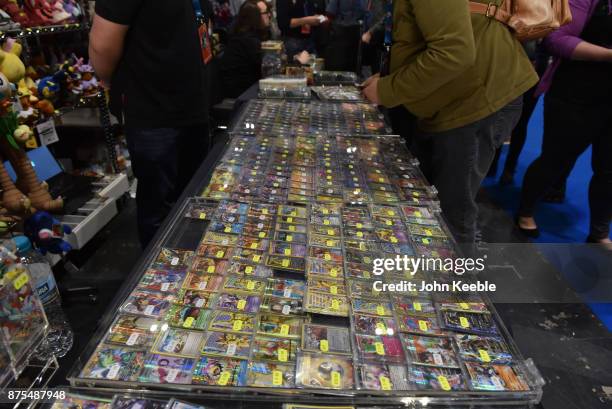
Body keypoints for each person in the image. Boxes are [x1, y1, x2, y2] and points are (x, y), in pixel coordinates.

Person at [361, 0, 538, 251]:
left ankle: (454, 286)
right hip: (458, 95)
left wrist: (389, 89)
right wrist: (393, 76)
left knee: (451, 213)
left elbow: (453, 52)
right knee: (437, 204)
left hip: (473, 102)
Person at [89, 0, 213, 248]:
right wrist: (115, 83)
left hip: (194, 107)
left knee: (193, 200)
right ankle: (161, 277)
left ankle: (189, 271)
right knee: (159, 209)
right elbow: (103, 47)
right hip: (153, 111)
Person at [517, 0, 612, 245]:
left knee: (608, 170)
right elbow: (556, 39)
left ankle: (599, 232)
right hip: (575, 92)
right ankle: (525, 210)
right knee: (556, 158)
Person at [218, 0, 271, 98]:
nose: (269, 15)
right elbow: (269, 68)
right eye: (265, 12)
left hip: (248, 87)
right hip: (241, 93)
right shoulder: (247, 39)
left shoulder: (249, 35)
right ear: (254, 17)